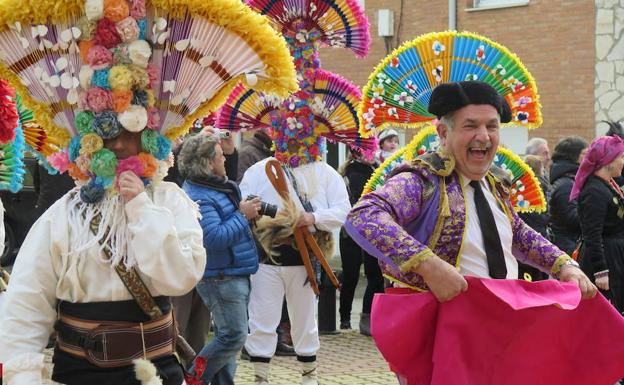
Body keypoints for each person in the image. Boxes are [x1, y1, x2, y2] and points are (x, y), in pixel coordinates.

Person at [345, 80, 595, 304]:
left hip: (501, 314)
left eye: (492, 126)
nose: (483, 136)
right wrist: (428, 265)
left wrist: (564, 266)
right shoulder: (422, 180)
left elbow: (516, 233)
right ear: (444, 133)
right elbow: (364, 216)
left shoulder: (495, 182)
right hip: (444, 322)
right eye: (471, 126)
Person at [0, 129, 207, 385]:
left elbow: (181, 278)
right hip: (79, 373)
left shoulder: (169, 201)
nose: (119, 143)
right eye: (107, 134)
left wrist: (141, 209)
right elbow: (26, 305)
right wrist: (24, 376)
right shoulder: (64, 213)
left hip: (158, 371)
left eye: (131, 132)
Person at [240, 146, 350, 385]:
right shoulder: (259, 170)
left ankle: (309, 378)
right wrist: (250, 209)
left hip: (305, 257)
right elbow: (243, 203)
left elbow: (344, 211)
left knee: (305, 320)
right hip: (265, 256)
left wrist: (313, 218)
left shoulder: (325, 172)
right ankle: (260, 378)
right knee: (261, 319)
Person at [179, 134, 260, 385]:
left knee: (227, 337)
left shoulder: (215, 186)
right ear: (208, 162)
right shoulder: (200, 195)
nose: (224, 159)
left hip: (232, 270)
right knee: (233, 337)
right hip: (220, 275)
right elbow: (213, 237)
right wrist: (242, 215)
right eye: (220, 156)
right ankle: (192, 377)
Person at [572, 135, 624, 314]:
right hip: (606, 260)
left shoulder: (607, 185)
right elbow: (592, 234)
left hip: (615, 254)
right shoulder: (594, 191)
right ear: (608, 160)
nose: (623, 162)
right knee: (608, 311)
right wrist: (601, 271)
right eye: (621, 157)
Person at [337, 148, 383, 335]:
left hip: (372, 230)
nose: (369, 154)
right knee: (351, 276)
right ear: (356, 153)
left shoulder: (378, 169)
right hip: (352, 231)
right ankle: (345, 318)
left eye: (370, 149)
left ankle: (366, 316)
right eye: (364, 150)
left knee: (375, 275)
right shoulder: (353, 171)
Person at [549, 136, 588, 254]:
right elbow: (571, 218)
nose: (588, 158)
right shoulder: (566, 185)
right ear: (572, 156)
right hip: (567, 248)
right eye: (585, 154)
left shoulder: (570, 180)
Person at [517, 155, 550, 281]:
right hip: (538, 235)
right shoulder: (542, 186)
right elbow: (545, 215)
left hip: (524, 241)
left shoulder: (519, 187)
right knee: (540, 277)